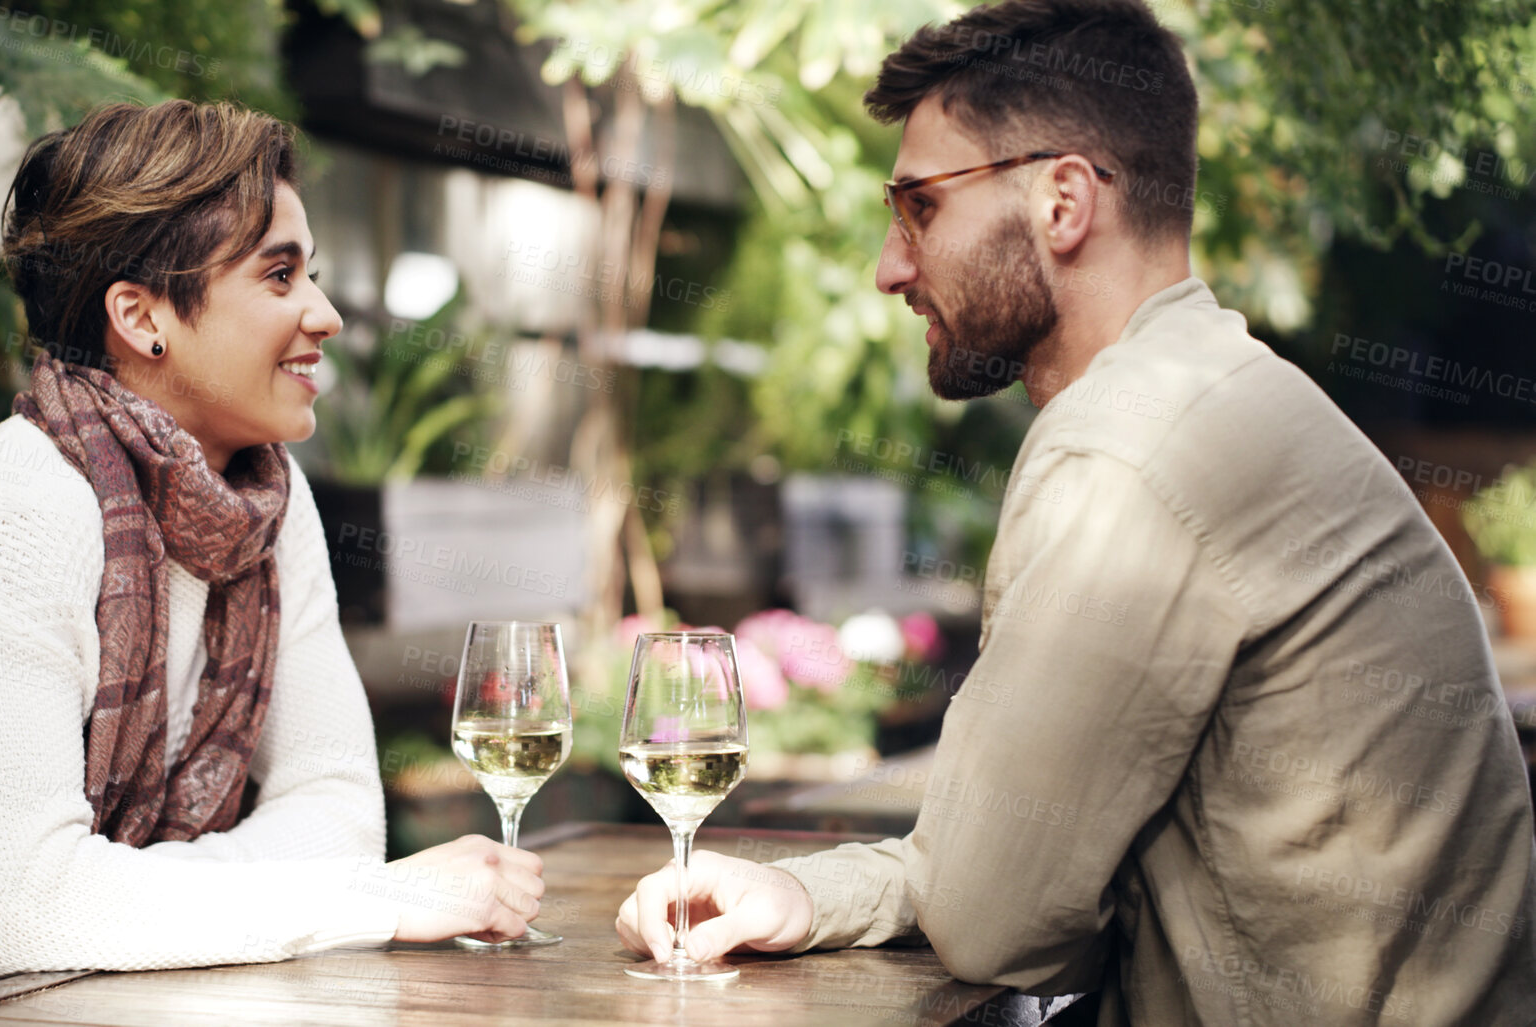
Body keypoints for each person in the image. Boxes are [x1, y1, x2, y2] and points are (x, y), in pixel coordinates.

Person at [616, 1, 1536, 1022]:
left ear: (1063, 202)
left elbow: (994, 918)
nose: (889, 266)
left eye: (921, 205)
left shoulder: (1129, 446)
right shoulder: (1212, 387)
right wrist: (810, 891)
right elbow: (1002, 871)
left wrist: (848, 887)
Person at [0, 100, 544, 1025]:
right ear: (142, 316)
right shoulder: (21, 511)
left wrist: (121, 896)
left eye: (314, 274)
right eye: (278, 274)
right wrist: (370, 897)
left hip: (96, 986)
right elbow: (27, 909)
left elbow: (338, 806)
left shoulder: (267, 496)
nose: (326, 314)